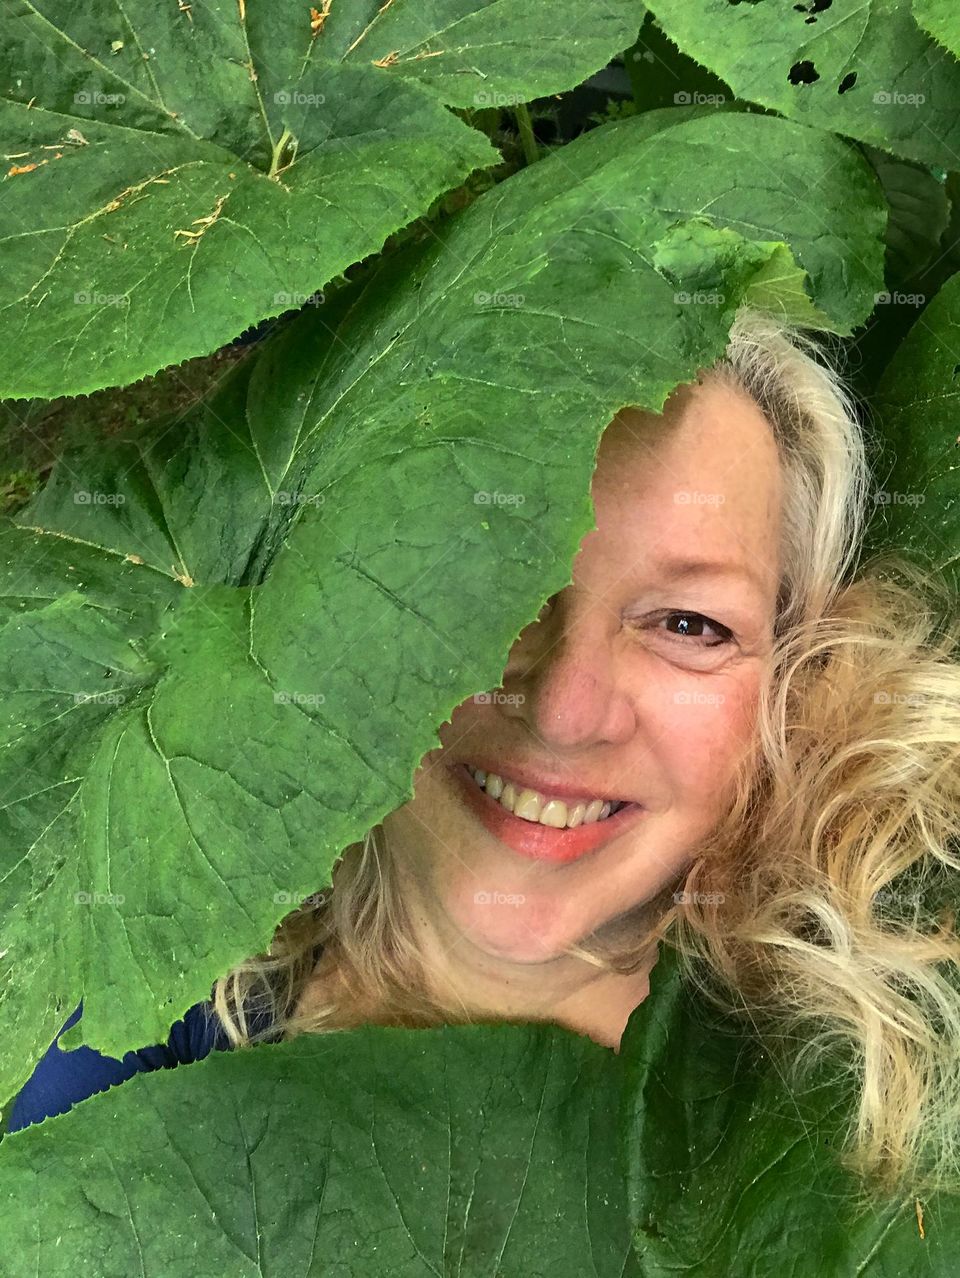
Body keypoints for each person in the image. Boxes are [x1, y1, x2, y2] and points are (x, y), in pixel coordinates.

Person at [8, 307, 960, 1209]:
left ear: (794, 682)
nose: (561, 708)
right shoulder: (125, 1008)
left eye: (688, 623)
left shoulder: (856, 1103)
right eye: (491, 582)